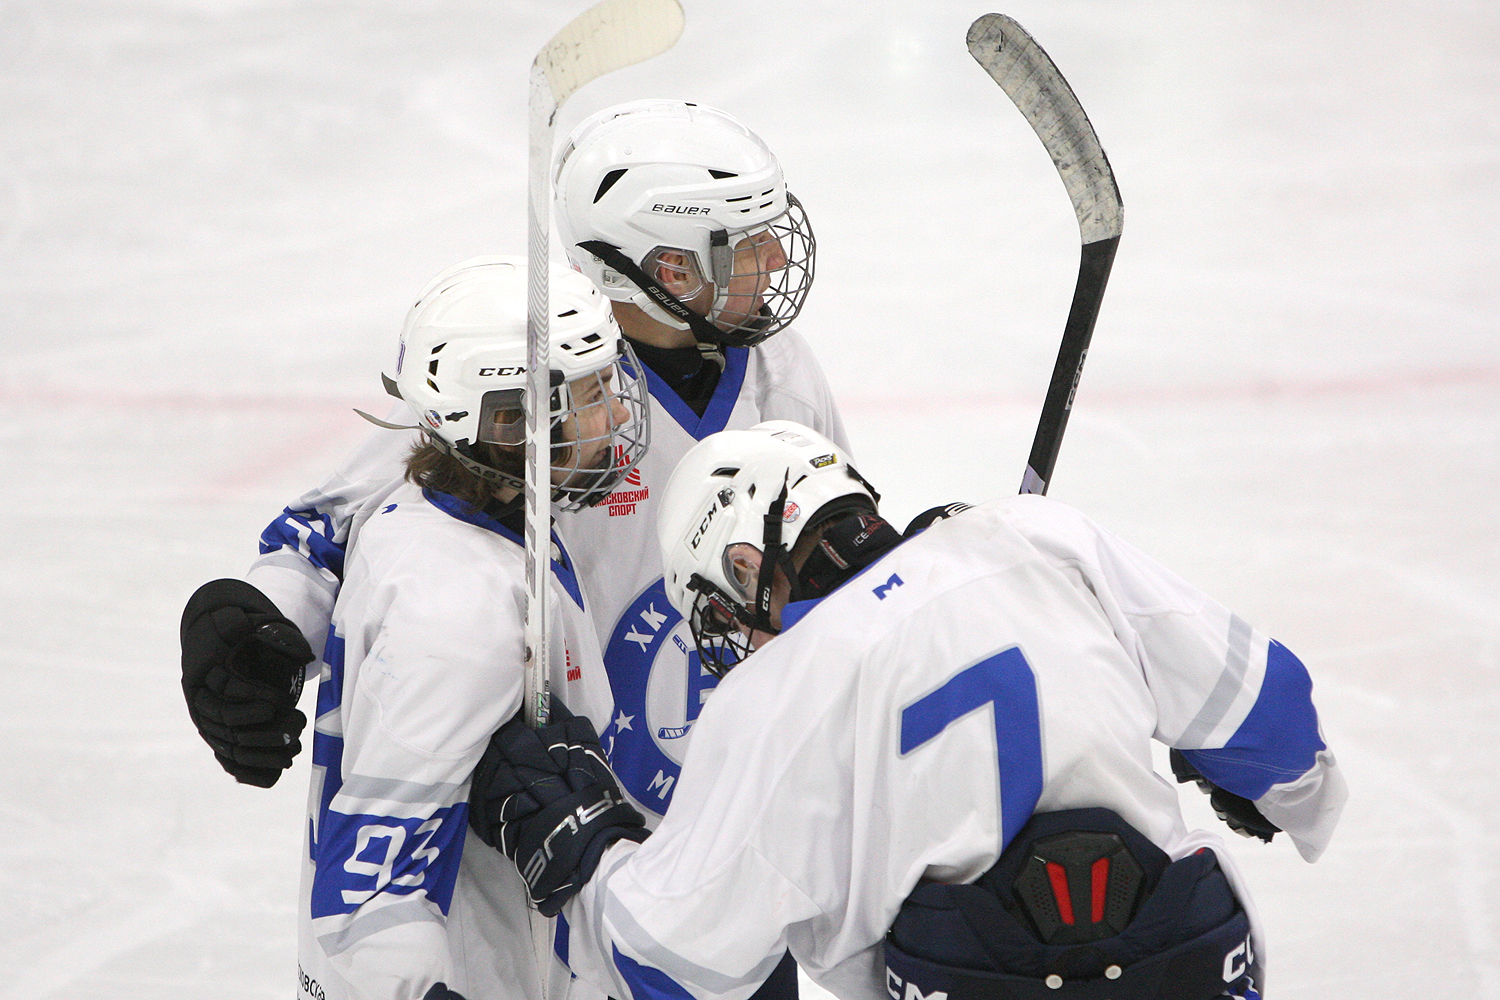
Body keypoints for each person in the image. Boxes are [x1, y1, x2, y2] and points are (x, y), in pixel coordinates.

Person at [178, 99, 841, 1000]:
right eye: (744, 243)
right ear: (664, 264)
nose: (772, 264)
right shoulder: (543, 385)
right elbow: (360, 511)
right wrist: (265, 617)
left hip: (722, 829)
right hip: (557, 823)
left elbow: (831, 559)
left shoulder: (781, 371)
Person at [465, 421, 1349, 1000]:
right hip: (1188, 960)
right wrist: (1280, 785)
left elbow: (674, 963)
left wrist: (591, 846)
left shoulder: (772, 696)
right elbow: (1273, 715)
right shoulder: (1034, 536)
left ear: (743, 567)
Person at [288, 255, 651, 1000]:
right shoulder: (458, 613)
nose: (616, 415)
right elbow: (369, 894)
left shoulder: (436, 517)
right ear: (512, 420)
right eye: (591, 393)